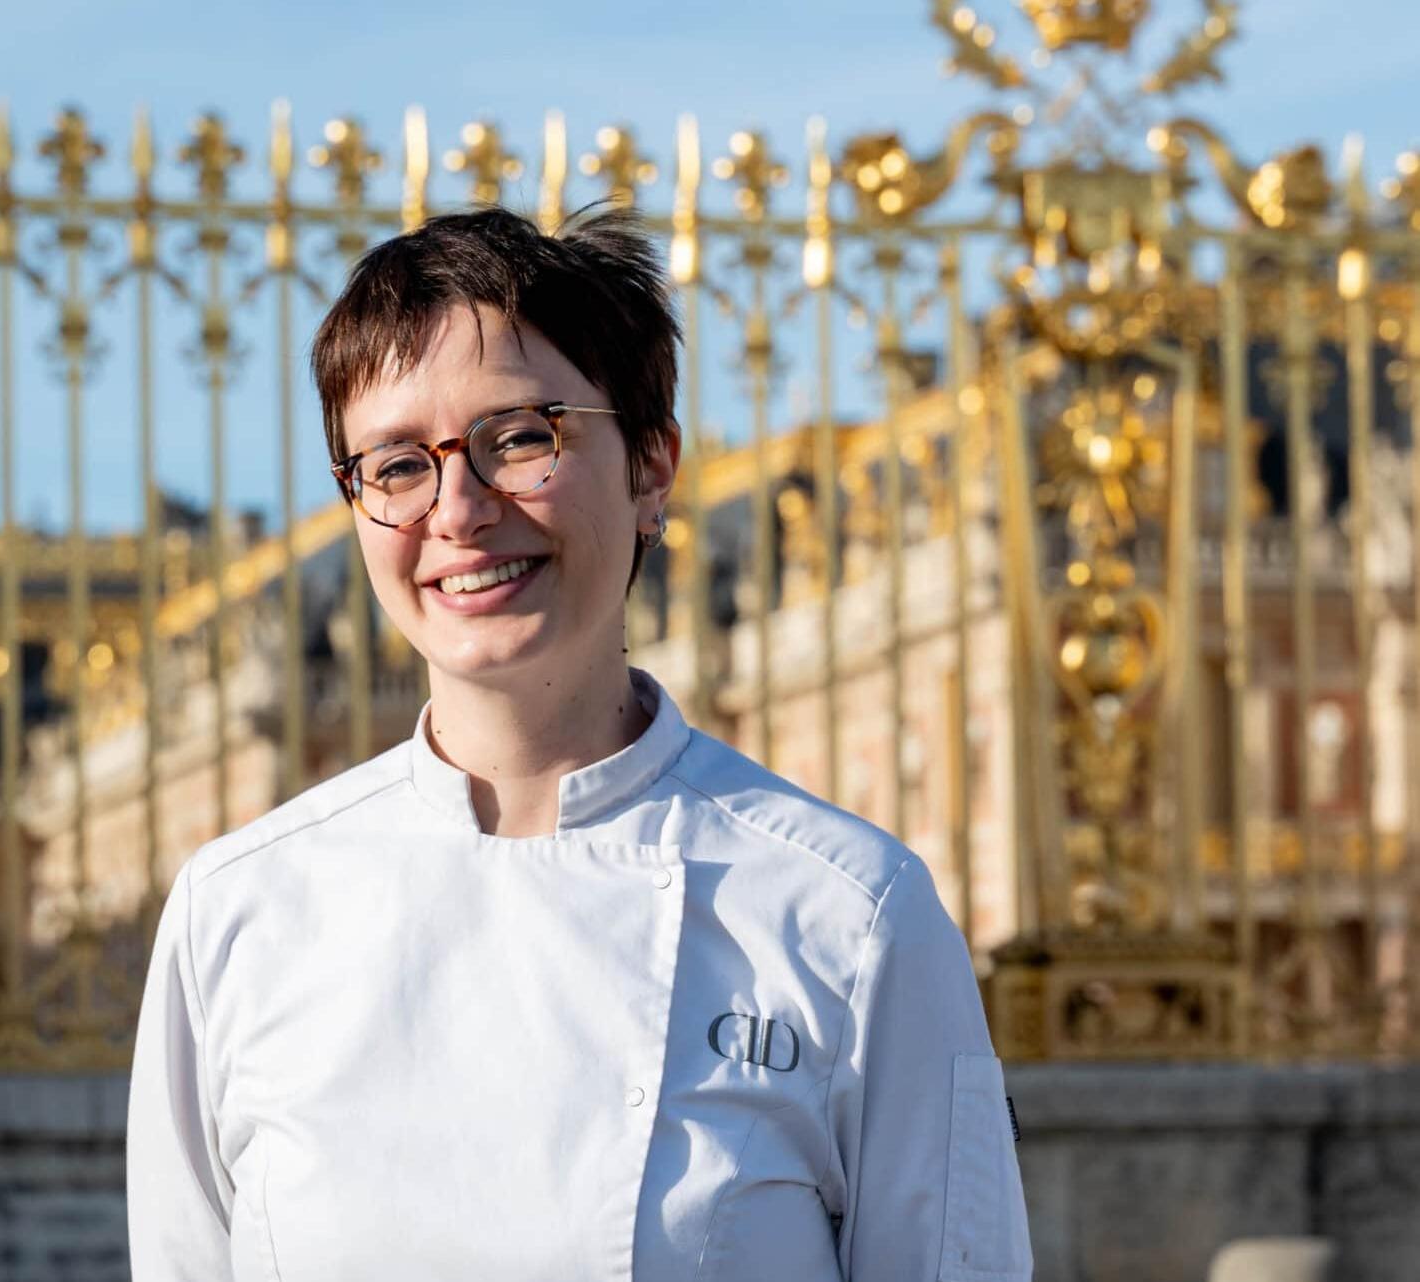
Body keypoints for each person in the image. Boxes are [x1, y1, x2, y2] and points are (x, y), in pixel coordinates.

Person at [126, 206, 1033, 1282]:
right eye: (396, 464)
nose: (456, 509)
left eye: (519, 436)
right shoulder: (237, 913)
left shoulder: (848, 914)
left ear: (652, 466)